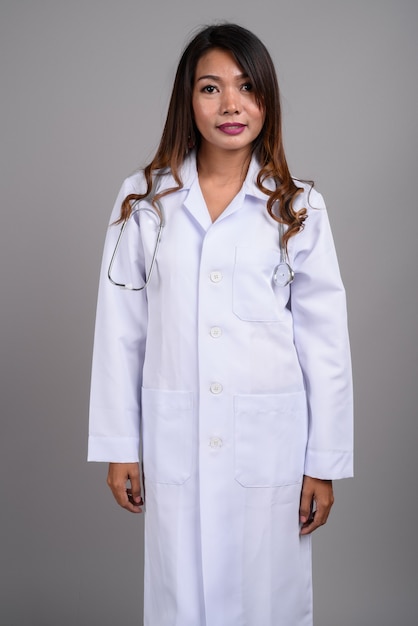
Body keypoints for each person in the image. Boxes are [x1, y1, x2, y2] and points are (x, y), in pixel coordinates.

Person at [88, 23, 353, 626]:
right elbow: (120, 328)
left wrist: (324, 462)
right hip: (176, 435)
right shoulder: (145, 202)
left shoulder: (298, 207)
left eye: (246, 87)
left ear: (268, 101)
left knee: (267, 598)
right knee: (181, 594)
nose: (231, 105)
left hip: (272, 447)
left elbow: (325, 344)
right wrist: (117, 445)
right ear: (188, 99)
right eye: (211, 88)